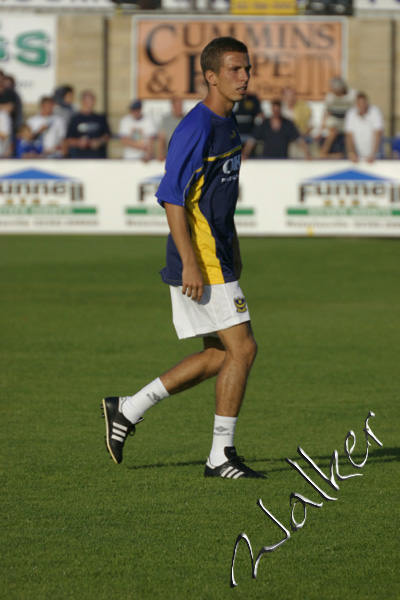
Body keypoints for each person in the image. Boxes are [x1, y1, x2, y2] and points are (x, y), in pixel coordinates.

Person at [102, 36, 265, 480]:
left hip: (220, 255)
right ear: (211, 76)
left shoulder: (229, 123)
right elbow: (172, 197)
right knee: (244, 349)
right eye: (235, 69)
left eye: (247, 68)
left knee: (219, 355)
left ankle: (128, 408)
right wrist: (191, 262)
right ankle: (219, 456)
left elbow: (217, 199)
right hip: (202, 259)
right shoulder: (197, 128)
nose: (244, 77)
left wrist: (236, 250)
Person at [242, 99, 311, 160]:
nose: (276, 112)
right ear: (271, 109)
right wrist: (245, 154)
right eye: (274, 110)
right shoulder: (264, 124)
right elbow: (251, 140)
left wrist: (307, 154)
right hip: (266, 161)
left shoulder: (287, 124)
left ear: (280, 109)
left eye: (277, 110)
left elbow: (299, 140)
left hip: (282, 160)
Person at [318, 76, 357, 159]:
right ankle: (323, 153)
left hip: (347, 122)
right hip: (334, 122)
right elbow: (327, 113)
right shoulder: (330, 97)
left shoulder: (352, 95)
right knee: (332, 131)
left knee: (348, 133)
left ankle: (350, 154)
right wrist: (321, 129)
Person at [66, 90, 110, 158]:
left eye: (93, 99)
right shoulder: (75, 119)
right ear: (83, 101)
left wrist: (99, 142)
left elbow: (107, 135)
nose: (93, 101)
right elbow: (68, 140)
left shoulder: (100, 118)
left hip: (98, 157)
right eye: (90, 99)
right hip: (80, 158)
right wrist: (79, 142)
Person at [344, 92, 384, 163]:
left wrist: (373, 154)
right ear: (356, 104)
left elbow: (378, 134)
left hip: (374, 157)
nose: (362, 106)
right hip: (357, 157)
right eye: (360, 103)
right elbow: (349, 136)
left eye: (364, 103)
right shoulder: (351, 114)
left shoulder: (375, 112)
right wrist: (352, 153)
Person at [157, 97, 185, 161]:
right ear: (173, 106)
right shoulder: (166, 120)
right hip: (170, 157)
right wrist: (161, 154)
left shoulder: (188, 119)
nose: (179, 108)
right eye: (177, 105)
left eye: (180, 105)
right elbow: (161, 139)